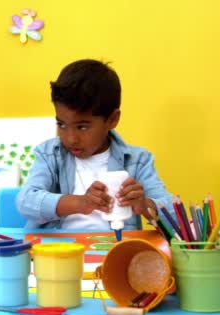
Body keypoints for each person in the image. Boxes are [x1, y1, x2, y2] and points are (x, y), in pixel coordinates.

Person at [16, 59, 174, 230]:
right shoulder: (49, 155)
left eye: (82, 127)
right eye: (61, 124)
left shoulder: (138, 161)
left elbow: (174, 214)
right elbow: (26, 201)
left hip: (114, 252)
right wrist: (80, 202)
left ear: (112, 119)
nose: (70, 138)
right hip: (57, 252)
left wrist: (145, 205)